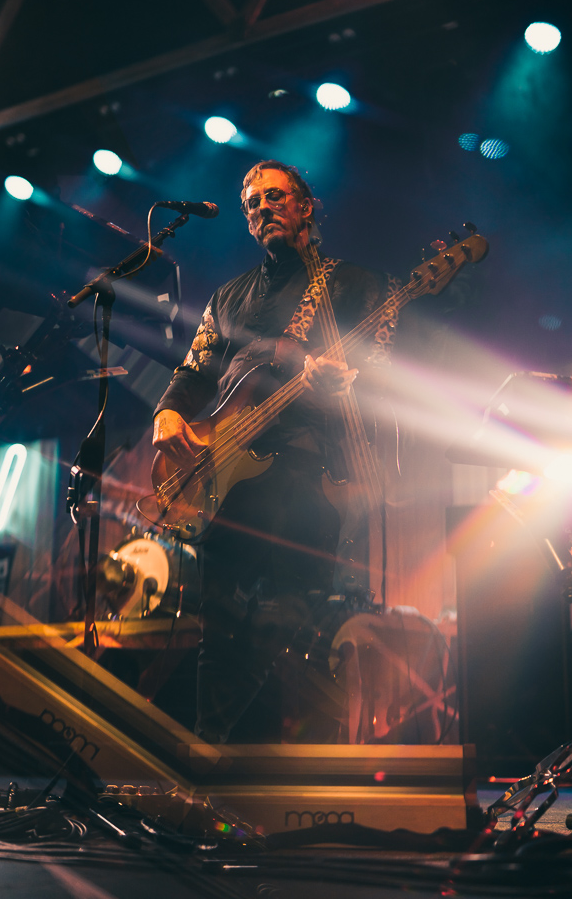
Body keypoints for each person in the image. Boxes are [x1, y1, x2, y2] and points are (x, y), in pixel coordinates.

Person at [152, 161, 397, 743]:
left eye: (274, 196)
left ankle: (277, 770)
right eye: (252, 203)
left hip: (306, 474)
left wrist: (350, 383)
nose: (262, 208)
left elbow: (387, 377)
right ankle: (211, 760)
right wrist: (167, 411)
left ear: (305, 206)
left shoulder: (356, 285)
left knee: (285, 624)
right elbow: (194, 369)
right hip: (225, 475)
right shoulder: (229, 296)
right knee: (219, 629)